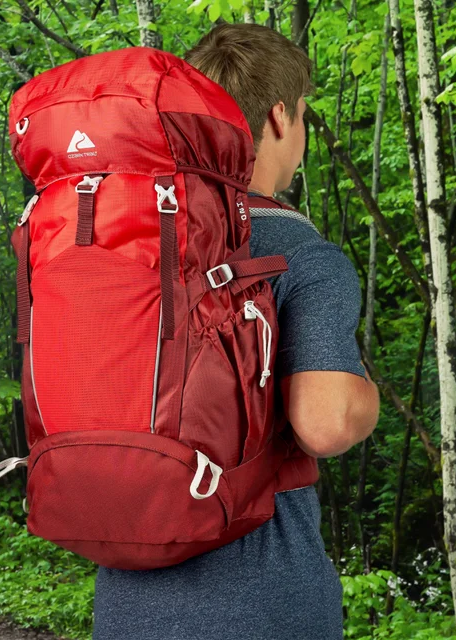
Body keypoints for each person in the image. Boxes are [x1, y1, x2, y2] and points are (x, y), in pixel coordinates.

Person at [92, 24, 380, 640]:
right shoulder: (303, 256)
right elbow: (325, 423)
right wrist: (366, 396)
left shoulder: (136, 248)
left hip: (127, 599)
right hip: (265, 600)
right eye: (302, 113)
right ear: (280, 116)